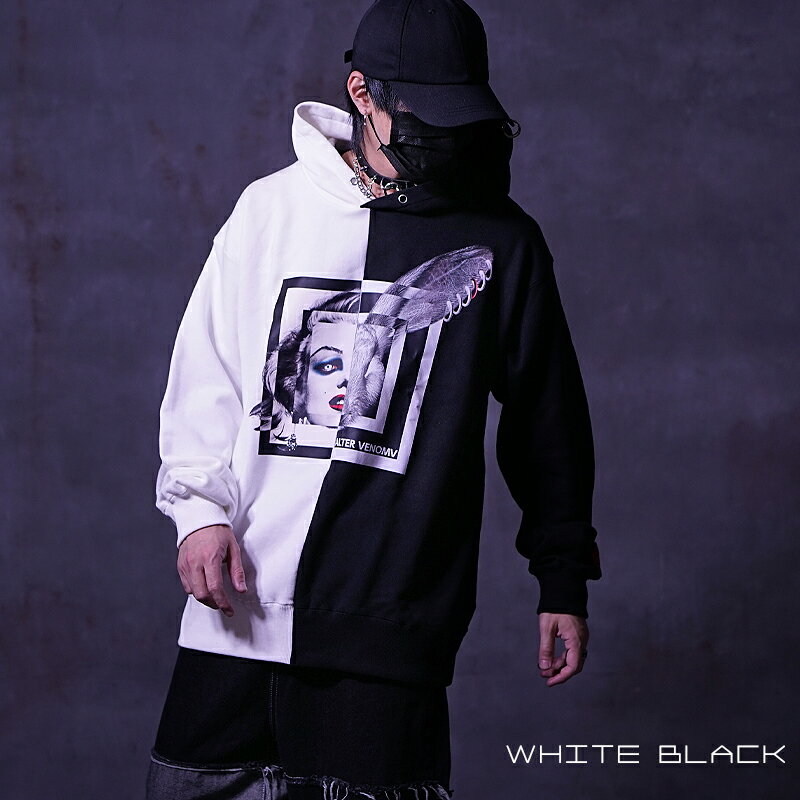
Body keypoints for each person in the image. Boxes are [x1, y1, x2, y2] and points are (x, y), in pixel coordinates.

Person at [146, 1, 602, 798]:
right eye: (424, 115)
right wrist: (200, 513)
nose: (444, 136)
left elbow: (547, 419)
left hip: (390, 627)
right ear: (362, 94)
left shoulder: (502, 239)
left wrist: (560, 577)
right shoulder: (270, 210)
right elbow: (208, 369)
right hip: (238, 613)